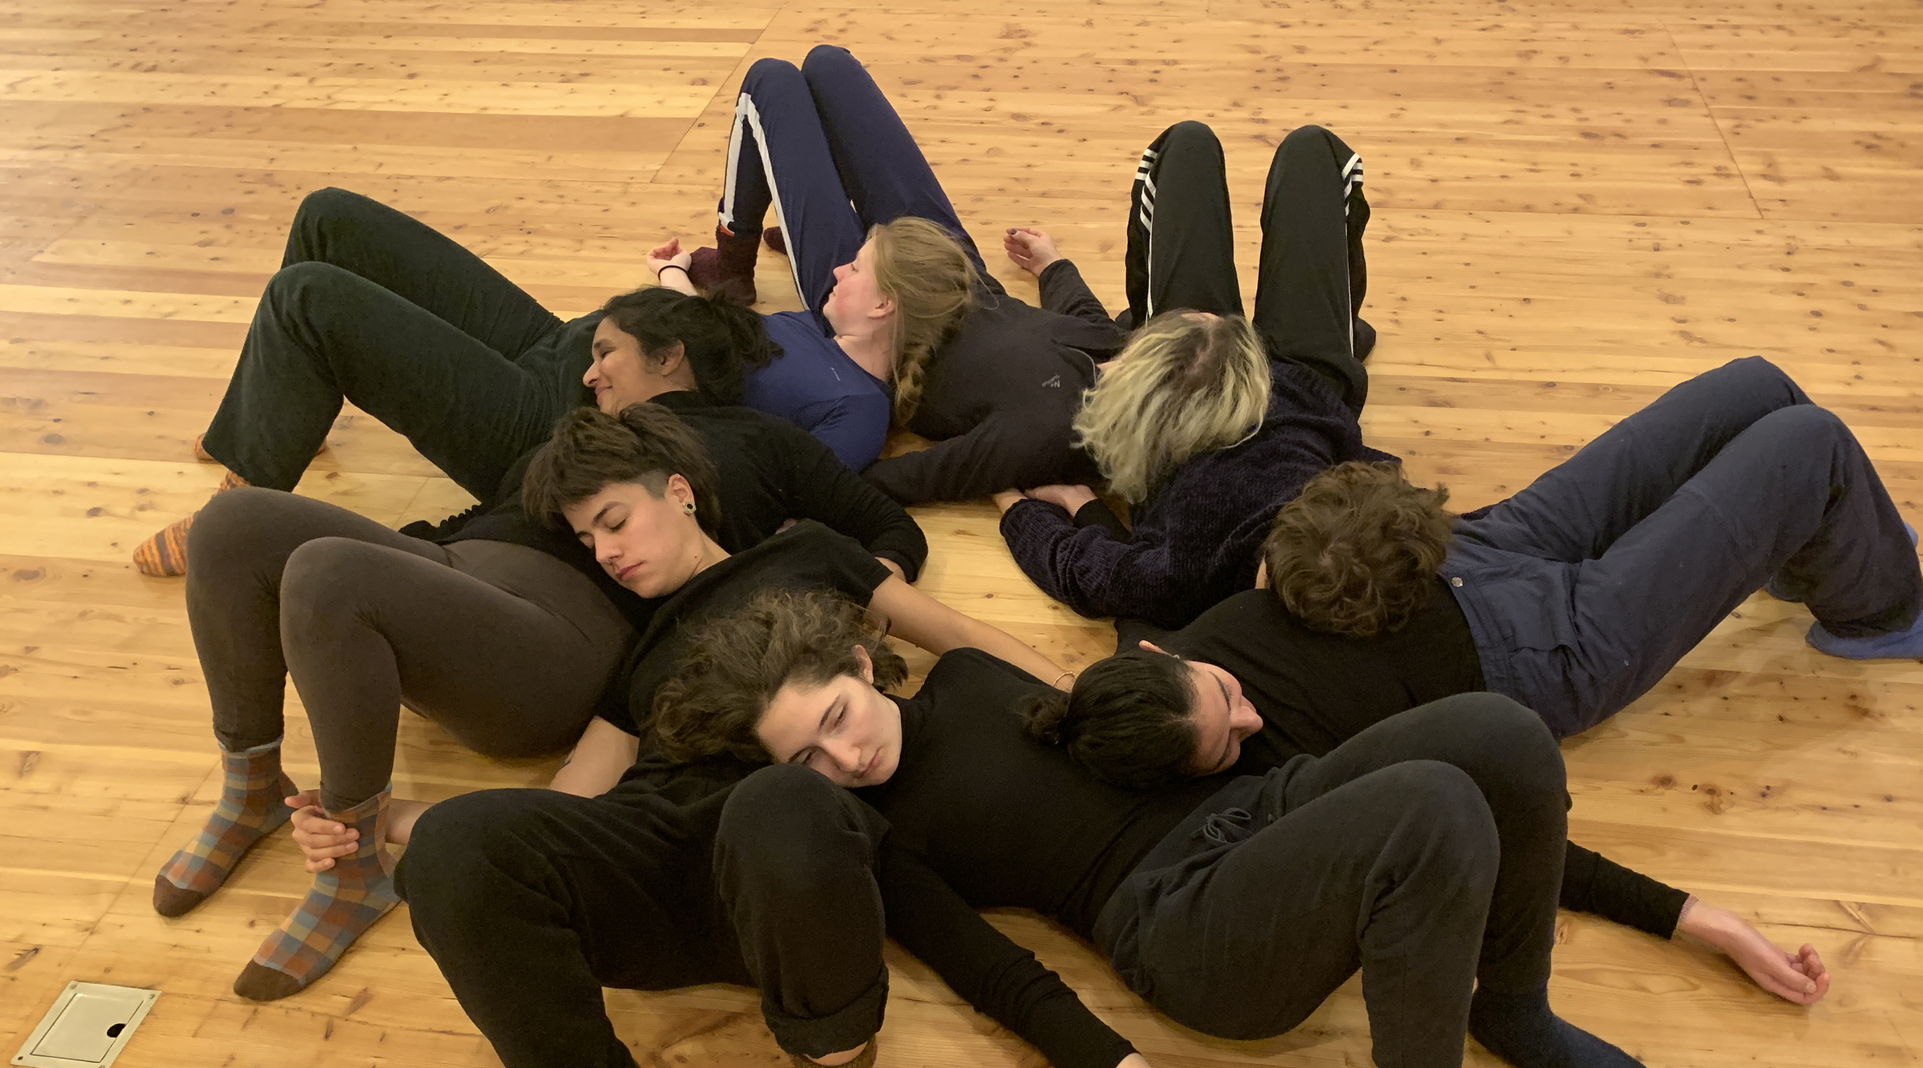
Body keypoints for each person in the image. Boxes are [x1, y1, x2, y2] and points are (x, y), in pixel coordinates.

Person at [657, 590, 1689, 1068]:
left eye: (837, 714)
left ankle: (1512, 1007)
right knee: (1429, 805)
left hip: (1256, 813)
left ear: (856, 662)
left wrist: (1665, 909)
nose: (846, 753)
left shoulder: (971, 672)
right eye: (809, 759)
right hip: (1178, 924)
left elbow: (1137, 733)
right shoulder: (882, 839)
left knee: (1499, 734)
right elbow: (1012, 989)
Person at [359, 511, 1157, 1068]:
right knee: (449, 852)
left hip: (778, 875)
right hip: (642, 856)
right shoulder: (656, 663)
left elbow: (995, 967)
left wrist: (1096, 692)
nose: (848, 754)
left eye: (616, 521)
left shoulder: (818, 588)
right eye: (590, 535)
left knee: (782, 803)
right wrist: (396, 822)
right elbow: (566, 805)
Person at [156, 306, 929, 1003]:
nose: (592, 372)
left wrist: (847, 608)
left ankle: (353, 870)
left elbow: (884, 525)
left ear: (671, 359)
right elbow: (492, 513)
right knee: (231, 528)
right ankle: (252, 784)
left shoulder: (754, 438)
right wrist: (423, 558)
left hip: (562, 633)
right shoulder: (570, 454)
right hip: (462, 574)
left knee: (326, 572)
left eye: (608, 352)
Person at [130, 182, 903, 574]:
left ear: (891, 308)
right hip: (570, 343)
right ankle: (277, 404)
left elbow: (799, 493)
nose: (839, 267)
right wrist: (670, 282)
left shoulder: (856, 406)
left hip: (554, 423)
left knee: (307, 301)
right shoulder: (818, 322)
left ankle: (242, 500)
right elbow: (703, 333)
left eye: (859, 269)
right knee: (329, 217)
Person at [1023, 638, 1831, 1005]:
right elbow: (1502, 822)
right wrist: (1697, 921)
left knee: (1756, 402)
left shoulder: (1183, 675)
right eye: (1221, 746)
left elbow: (1517, 809)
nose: (1251, 720)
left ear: (1165, 647)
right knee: (1452, 790)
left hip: (1481, 579)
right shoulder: (1252, 763)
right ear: (1179, 780)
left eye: (1226, 695)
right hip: (1518, 640)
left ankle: (1516, 1009)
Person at [1255, 357, 1923, 734]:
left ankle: (1823, 547)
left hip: (1463, 563)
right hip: (1550, 651)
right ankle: (1877, 615)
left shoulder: (1283, 578)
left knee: (1755, 385)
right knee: (1811, 442)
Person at [679, 43, 1129, 502]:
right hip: (944, 264)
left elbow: (918, 477)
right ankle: (835, 227)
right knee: (828, 64)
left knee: (769, 83)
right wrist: (1052, 264)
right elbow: (1087, 320)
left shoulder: (1041, 430)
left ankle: (733, 265)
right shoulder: (1121, 350)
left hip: (868, 314)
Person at [994, 120, 1392, 633]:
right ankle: (1339, 332)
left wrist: (1014, 505)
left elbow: (1077, 569)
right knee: (1314, 151)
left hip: (1187, 382)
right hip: (1304, 383)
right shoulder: (1349, 536)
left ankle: (1162, 326)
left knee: (1184, 146)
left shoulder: (1184, 577)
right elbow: (1379, 474)